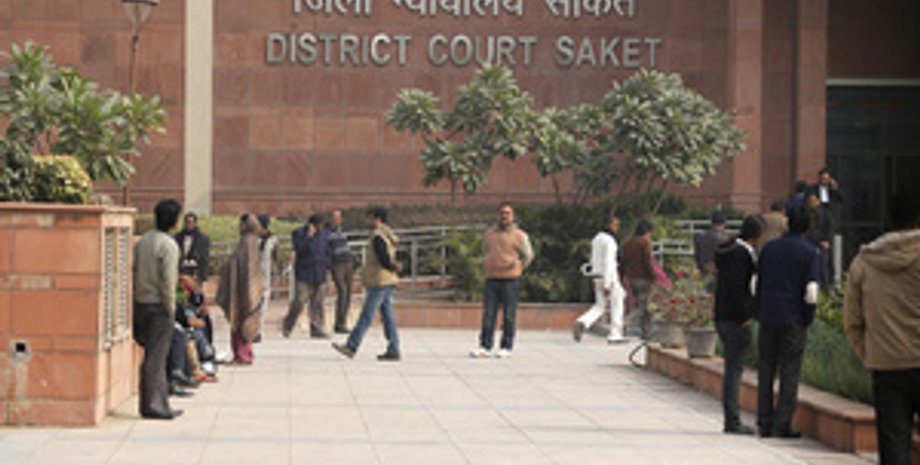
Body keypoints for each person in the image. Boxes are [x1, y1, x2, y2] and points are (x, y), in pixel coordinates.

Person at [843, 193, 920, 465]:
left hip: (887, 368)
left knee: (893, 449)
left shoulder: (865, 261)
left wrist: (873, 354)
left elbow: (852, 321)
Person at [755, 205, 820, 439]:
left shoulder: (769, 249)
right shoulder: (810, 252)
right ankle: (782, 424)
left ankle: (764, 421)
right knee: (789, 371)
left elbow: (756, 283)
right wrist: (808, 317)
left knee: (766, 369)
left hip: (768, 315)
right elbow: (811, 291)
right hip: (793, 317)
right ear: (808, 226)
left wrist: (758, 310)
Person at [714, 215, 765, 435]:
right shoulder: (743, 255)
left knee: (731, 369)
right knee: (734, 370)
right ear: (758, 234)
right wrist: (747, 315)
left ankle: (731, 417)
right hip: (737, 319)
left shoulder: (727, 250)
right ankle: (732, 420)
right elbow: (744, 289)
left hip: (722, 316)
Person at [133, 199, 183, 420]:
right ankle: (154, 405)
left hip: (141, 302)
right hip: (159, 305)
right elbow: (168, 282)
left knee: (151, 356)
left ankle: (154, 402)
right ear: (174, 220)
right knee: (157, 357)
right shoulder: (168, 245)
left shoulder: (143, 241)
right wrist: (171, 309)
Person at [332, 207, 403, 361]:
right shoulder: (387, 234)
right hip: (387, 280)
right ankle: (394, 348)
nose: (367, 221)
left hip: (379, 281)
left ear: (377, 219)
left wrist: (391, 266)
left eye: (369, 218)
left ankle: (351, 346)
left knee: (366, 315)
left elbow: (383, 259)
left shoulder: (378, 237)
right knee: (388, 316)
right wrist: (394, 267)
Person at [470, 202, 534, 359]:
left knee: (509, 315)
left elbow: (528, 255)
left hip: (510, 280)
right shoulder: (489, 234)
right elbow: (485, 251)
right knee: (488, 314)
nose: (504, 216)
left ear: (513, 216)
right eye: (502, 213)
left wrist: (517, 266)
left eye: (507, 213)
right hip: (491, 279)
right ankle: (485, 346)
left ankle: (506, 346)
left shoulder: (520, 236)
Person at [216, 214, 264, 365]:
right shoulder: (251, 241)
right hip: (246, 287)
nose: (239, 226)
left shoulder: (247, 242)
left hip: (243, 288)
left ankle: (242, 355)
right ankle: (244, 354)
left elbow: (243, 266)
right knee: (243, 321)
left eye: (241, 223)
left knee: (241, 322)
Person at [573, 211, 626, 343]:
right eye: (615, 225)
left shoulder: (596, 239)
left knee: (600, 305)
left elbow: (594, 259)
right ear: (608, 225)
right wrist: (608, 283)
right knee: (617, 303)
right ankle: (615, 334)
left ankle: (583, 321)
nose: (617, 228)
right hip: (609, 276)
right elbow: (609, 261)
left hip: (597, 275)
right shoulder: (610, 241)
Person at [283, 214, 332, 339]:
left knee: (318, 302)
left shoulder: (324, 234)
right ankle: (288, 324)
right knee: (300, 300)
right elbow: (300, 249)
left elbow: (327, 250)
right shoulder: (298, 234)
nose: (320, 227)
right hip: (304, 272)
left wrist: (327, 264)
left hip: (319, 271)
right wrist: (309, 237)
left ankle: (317, 327)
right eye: (318, 225)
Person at [621, 221, 656, 339]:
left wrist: (622, 276)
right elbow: (648, 261)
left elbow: (623, 262)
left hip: (631, 278)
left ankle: (646, 332)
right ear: (646, 232)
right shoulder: (644, 243)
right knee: (643, 306)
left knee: (644, 305)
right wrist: (653, 276)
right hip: (643, 278)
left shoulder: (627, 243)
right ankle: (627, 321)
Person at [328, 210, 355, 334]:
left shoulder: (343, 231)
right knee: (342, 291)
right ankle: (339, 323)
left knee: (348, 292)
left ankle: (342, 322)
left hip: (347, 262)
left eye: (338, 218)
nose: (336, 220)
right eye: (334, 218)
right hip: (337, 264)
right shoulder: (328, 233)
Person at [255, 214, 278, 342]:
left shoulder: (272, 239)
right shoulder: (252, 239)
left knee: (263, 307)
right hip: (253, 277)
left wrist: (275, 274)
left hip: (266, 278)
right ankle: (253, 330)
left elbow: (275, 258)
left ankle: (259, 330)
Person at [805, 192, 834, 288]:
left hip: (822, 242)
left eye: (813, 201)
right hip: (809, 242)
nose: (811, 203)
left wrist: (827, 240)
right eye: (810, 201)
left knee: (823, 266)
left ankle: (826, 286)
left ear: (819, 201)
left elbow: (830, 228)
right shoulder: (807, 213)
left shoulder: (825, 213)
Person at [174, 212, 210, 285]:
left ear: (195, 223)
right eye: (187, 222)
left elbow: (204, 258)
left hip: (195, 273)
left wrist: (203, 276)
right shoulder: (177, 237)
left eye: (191, 222)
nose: (188, 225)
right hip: (180, 272)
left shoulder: (203, 239)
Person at [694, 211, 728, 276]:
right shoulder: (724, 239)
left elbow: (697, 255)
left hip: (703, 272)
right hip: (718, 274)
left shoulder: (701, 236)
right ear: (723, 224)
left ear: (712, 223)